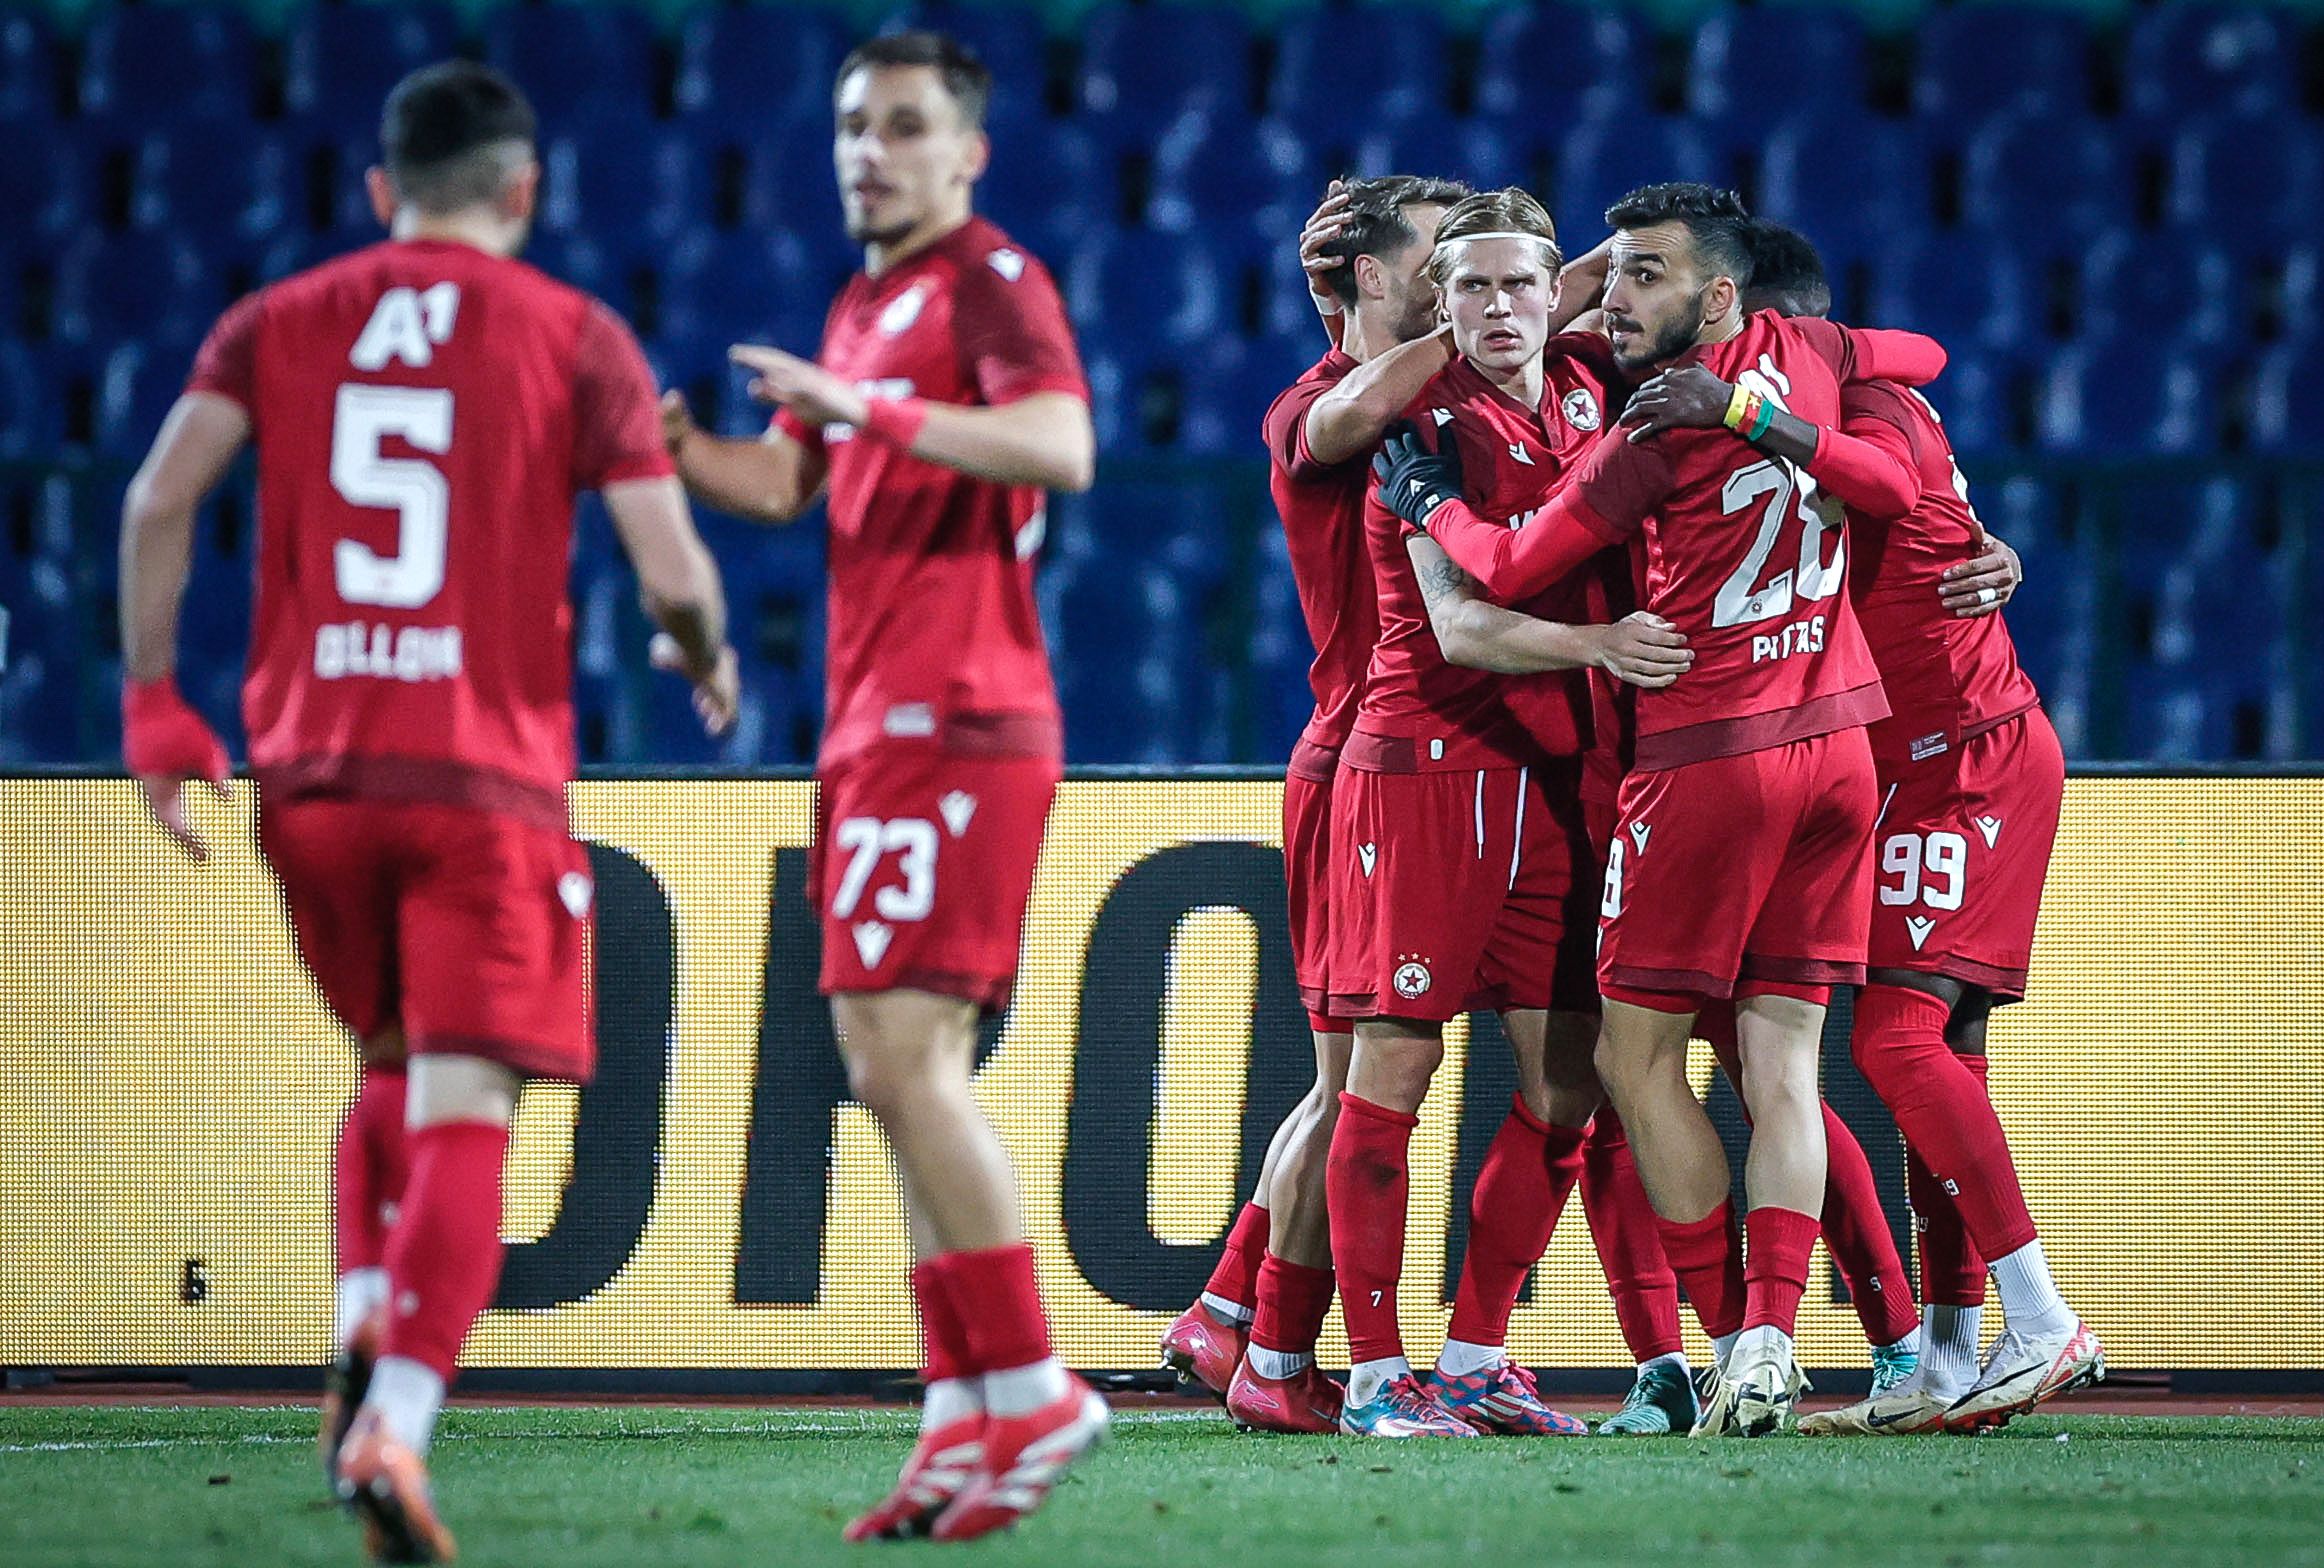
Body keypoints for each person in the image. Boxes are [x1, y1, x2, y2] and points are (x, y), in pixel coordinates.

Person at [116, 61, 736, 1562]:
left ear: (383, 190)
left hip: (311, 782)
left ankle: (355, 1316)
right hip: (477, 787)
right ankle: (393, 1418)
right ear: (524, 190)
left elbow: (154, 502)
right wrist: (705, 652)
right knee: (467, 1103)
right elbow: (670, 571)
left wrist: (153, 704)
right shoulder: (575, 334)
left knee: (391, 1067)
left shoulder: (274, 318)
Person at [1382, 182, 1947, 1436]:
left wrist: (1430, 505)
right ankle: (1785, 1342)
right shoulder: (1806, 349)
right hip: (1837, 748)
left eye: (1642, 273)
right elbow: (1919, 357)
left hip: (1708, 759)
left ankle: (1730, 1339)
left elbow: (1510, 563)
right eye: (1613, 269)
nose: (1610, 296)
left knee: (1631, 1062)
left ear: (1719, 294)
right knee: (1781, 1066)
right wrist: (1792, 404)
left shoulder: (1648, 427)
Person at [657, 31, 1101, 1540]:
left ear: (967, 151)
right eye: (853, 125)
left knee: (905, 1066)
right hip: (870, 722)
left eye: (904, 126)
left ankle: (1031, 1383)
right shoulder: (860, 303)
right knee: (893, 1074)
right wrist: (677, 450)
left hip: (959, 715)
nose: (870, 151)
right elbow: (785, 484)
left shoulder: (991, 280)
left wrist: (872, 413)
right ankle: (960, 1419)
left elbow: (1060, 445)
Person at [1619, 218, 2101, 1435]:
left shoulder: (1857, 411)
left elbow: (1892, 464)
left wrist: (1754, 412)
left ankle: (2041, 1318)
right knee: (1942, 1058)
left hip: (1962, 759)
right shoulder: (1841, 396)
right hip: (1899, 763)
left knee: (1892, 1040)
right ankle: (1943, 1355)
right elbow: (1925, 366)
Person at [1327, 188, 1679, 1439]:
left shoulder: (1587, 386)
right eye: (1467, 285)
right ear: (1440, 303)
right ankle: (1374, 1377)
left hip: (1554, 777)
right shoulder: (1420, 429)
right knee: (1396, 1061)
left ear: (1552, 292)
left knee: (1567, 1077)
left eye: (1517, 282)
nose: (1495, 305)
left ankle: (1474, 1357)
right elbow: (1460, 626)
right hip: (1428, 767)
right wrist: (1601, 643)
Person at [1159, 174, 1471, 1435]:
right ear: (1372, 276)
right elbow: (1353, 404)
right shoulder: (1310, 403)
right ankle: (1270, 1347)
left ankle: (1229, 1311)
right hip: (1360, 759)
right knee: (1357, 1079)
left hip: (1394, 758)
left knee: (1345, 1077)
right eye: (1445, 258)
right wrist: (1513, 303)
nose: (1466, 281)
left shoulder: (1435, 389)